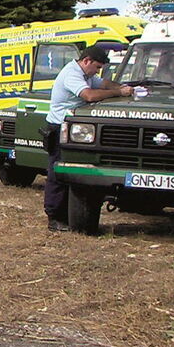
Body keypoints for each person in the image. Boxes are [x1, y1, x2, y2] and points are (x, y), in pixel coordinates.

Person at [43, 46, 132, 231]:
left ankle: (67, 216)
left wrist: (123, 87)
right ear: (87, 61)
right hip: (60, 128)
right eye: (97, 67)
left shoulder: (86, 74)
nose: (97, 71)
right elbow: (89, 95)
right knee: (57, 173)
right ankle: (55, 217)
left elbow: (103, 83)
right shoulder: (72, 74)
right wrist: (119, 93)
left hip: (74, 129)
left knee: (74, 172)